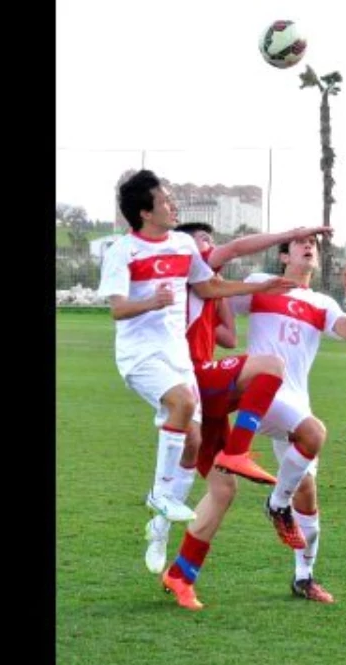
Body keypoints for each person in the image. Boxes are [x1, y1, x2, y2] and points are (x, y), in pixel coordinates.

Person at [97, 170, 295, 529]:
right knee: (184, 404)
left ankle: (158, 530)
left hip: (176, 355)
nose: (174, 206)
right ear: (145, 212)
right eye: (166, 201)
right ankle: (159, 495)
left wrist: (260, 287)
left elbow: (208, 288)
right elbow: (116, 309)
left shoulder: (183, 245)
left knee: (194, 440)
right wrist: (152, 303)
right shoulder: (122, 251)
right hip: (139, 355)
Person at [142, 221, 335, 582]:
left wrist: (219, 297)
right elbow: (233, 250)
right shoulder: (187, 265)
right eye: (202, 241)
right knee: (269, 366)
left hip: (204, 390)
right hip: (190, 378)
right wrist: (286, 235)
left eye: (210, 242)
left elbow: (229, 338)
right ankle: (238, 455)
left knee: (223, 488)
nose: (209, 247)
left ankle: (180, 574)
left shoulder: (205, 286)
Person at [195, 235, 346, 606]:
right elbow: (216, 297)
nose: (309, 249)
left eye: (314, 246)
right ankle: (276, 503)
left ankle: (304, 577)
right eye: (301, 244)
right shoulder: (260, 284)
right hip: (263, 392)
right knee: (315, 433)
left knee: (307, 490)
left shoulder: (322, 303)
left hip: (295, 400)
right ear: (284, 254)